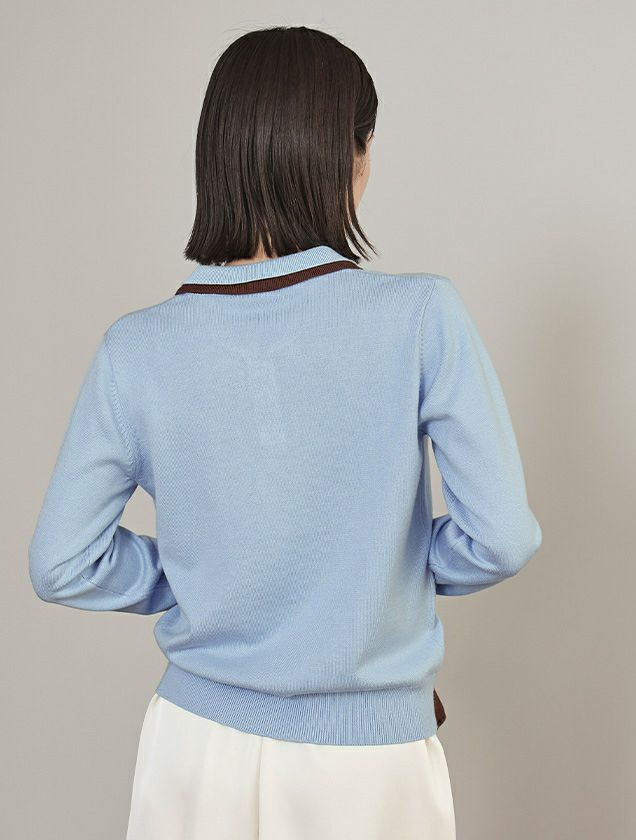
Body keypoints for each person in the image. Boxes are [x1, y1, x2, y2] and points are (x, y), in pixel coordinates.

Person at [27, 24, 542, 840]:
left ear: (217, 155)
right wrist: (387, 574)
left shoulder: (137, 347)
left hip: (192, 749)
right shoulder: (419, 316)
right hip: (368, 761)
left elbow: (61, 562)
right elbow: (502, 538)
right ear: (352, 156)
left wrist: (203, 582)